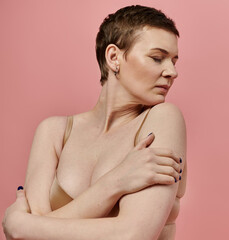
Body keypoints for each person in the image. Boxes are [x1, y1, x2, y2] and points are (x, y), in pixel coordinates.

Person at [2, 5, 187, 240]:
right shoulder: (54, 132)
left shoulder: (163, 118)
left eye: (174, 61)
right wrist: (115, 182)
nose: (172, 71)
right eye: (157, 58)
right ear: (113, 57)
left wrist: (21, 226)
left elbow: (133, 234)